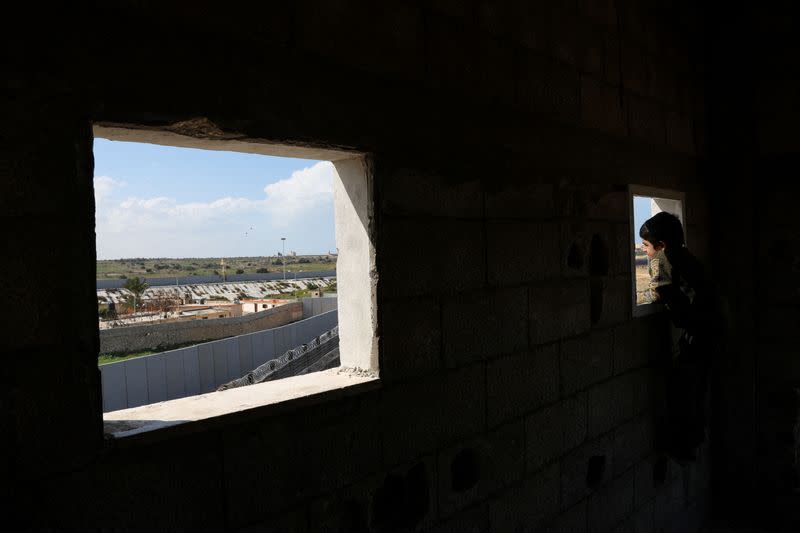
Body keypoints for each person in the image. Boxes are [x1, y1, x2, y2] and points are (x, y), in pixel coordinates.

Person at [639, 211, 717, 462]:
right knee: (696, 394)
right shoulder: (687, 257)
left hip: (695, 338)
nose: (645, 250)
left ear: (661, 245)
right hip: (709, 337)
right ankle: (691, 442)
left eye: (647, 245)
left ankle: (682, 446)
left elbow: (672, 303)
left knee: (682, 394)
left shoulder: (661, 260)